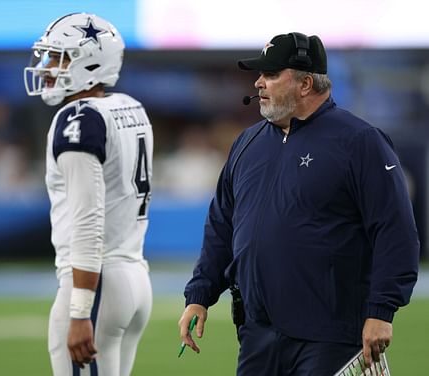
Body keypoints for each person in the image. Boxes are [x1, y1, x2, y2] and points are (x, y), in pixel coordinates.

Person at [178, 32, 419, 375]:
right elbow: (222, 224)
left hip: (330, 335)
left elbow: (395, 231)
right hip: (257, 332)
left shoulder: (360, 142)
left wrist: (381, 312)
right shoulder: (248, 142)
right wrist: (200, 294)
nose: (259, 83)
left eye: (272, 74)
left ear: (306, 84)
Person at [24, 13, 153, 376]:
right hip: (135, 276)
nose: (47, 68)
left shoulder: (79, 119)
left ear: (90, 62)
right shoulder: (131, 107)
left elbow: (87, 220)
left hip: (97, 285)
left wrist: (80, 310)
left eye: (59, 57)